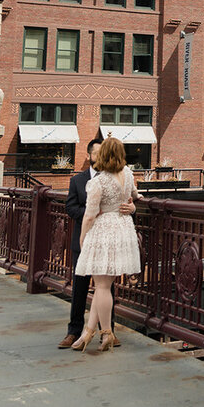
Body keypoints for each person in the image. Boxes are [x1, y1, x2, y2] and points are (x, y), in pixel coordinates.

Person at [71, 136, 141, 351]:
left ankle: (107, 332)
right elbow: (135, 196)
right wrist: (133, 207)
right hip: (123, 229)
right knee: (105, 286)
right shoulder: (128, 174)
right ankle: (88, 333)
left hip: (104, 232)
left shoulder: (98, 182)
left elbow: (90, 215)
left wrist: (83, 237)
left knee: (101, 286)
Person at [58, 139, 100, 349]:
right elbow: (71, 208)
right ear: (89, 156)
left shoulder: (113, 179)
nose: (100, 158)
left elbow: (126, 200)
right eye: (97, 154)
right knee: (79, 288)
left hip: (104, 243)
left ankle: (106, 332)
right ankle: (73, 331)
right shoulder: (77, 180)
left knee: (105, 288)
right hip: (82, 243)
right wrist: (91, 214)